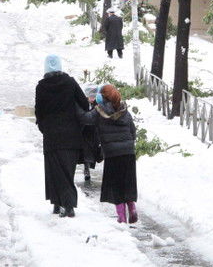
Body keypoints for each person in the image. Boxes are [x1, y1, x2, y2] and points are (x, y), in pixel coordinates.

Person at [35, 54, 90, 218]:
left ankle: (60, 204)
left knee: (54, 170)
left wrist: (44, 128)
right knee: (67, 170)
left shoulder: (41, 87)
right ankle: (67, 203)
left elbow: (39, 112)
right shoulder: (70, 82)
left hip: (51, 136)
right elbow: (84, 103)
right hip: (71, 134)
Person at [78, 84, 138, 224]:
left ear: (102, 97)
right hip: (128, 152)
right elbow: (133, 131)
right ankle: (132, 209)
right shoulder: (124, 110)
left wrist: (77, 106)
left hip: (112, 153)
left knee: (116, 184)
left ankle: (121, 216)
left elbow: (85, 119)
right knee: (128, 182)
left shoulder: (100, 111)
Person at [80, 85, 103, 181]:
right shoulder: (84, 103)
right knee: (86, 151)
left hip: (94, 131)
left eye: (94, 96)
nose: (92, 98)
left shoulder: (98, 104)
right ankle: (86, 169)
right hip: (85, 131)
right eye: (91, 96)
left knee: (94, 151)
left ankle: (88, 166)